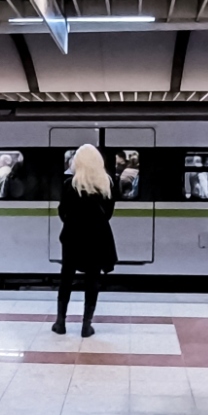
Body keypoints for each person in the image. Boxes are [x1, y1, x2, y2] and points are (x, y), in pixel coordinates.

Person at [53, 144, 117, 338]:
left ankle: (60, 322)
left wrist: (74, 222)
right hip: (97, 238)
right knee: (92, 280)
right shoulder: (106, 184)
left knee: (66, 278)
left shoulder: (69, 184)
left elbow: (62, 211)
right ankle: (86, 326)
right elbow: (108, 214)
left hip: (72, 237)